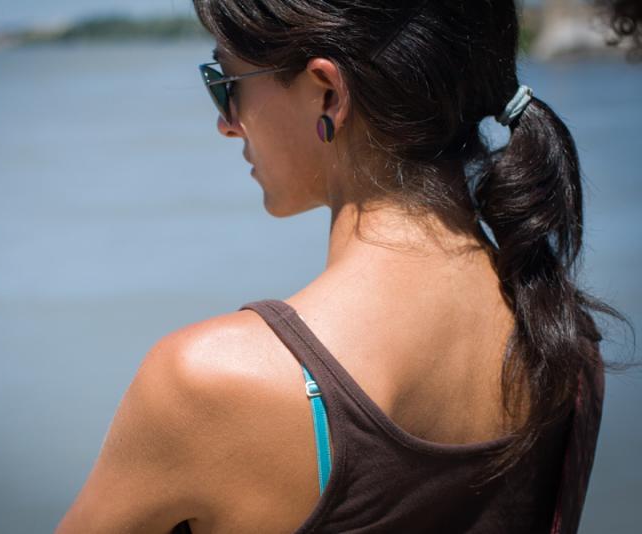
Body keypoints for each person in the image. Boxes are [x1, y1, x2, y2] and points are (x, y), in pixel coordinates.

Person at [56, 1, 613, 532]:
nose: (226, 124)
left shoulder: (209, 384)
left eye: (224, 84)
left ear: (327, 93)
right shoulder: (566, 343)